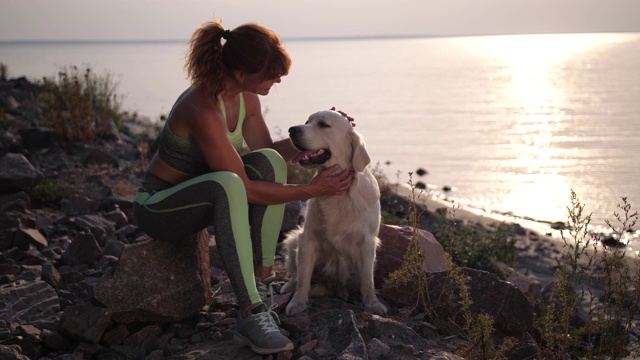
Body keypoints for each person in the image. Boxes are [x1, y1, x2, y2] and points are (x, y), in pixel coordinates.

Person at [132, 18, 353, 355]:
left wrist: (323, 131)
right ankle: (250, 312)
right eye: (270, 74)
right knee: (227, 184)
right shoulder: (201, 108)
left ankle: (262, 287)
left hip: (203, 196)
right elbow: (245, 189)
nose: (278, 80)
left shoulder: (247, 98)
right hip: (159, 205)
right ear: (239, 74)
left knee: (268, 162)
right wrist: (313, 190)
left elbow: (268, 154)